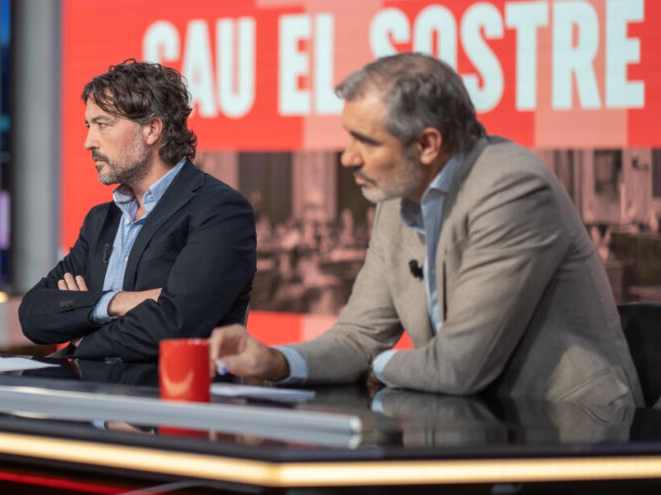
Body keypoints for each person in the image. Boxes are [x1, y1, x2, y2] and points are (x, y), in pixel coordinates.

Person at [211, 53, 642, 406]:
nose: (348, 158)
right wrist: (276, 362)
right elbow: (360, 335)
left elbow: (460, 366)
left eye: (368, 142)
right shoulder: (397, 195)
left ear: (427, 144)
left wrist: (376, 367)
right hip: (473, 425)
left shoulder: (512, 188)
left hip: (573, 434)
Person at [20, 59, 256, 362]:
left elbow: (175, 326)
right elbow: (33, 312)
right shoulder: (101, 220)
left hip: (170, 401)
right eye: (88, 126)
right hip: (92, 399)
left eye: (103, 124)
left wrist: (83, 334)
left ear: (152, 130)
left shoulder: (220, 211)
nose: (88, 142)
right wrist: (117, 303)